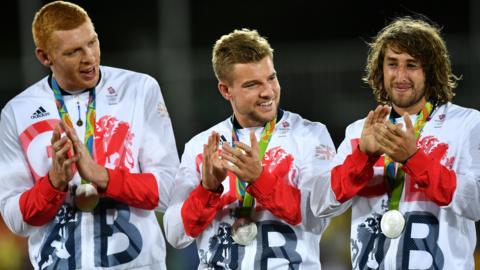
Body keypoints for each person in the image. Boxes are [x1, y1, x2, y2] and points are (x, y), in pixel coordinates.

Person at [0, 1, 179, 269]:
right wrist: (54, 183)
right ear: (45, 57)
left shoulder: (139, 89)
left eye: (92, 42)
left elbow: (168, 192)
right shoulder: (17, 112)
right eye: (73, 52)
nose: (90, 58)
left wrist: (103, 176)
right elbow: (17, 220)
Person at [311, 17, 480, 269]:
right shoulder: (360, 131)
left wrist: (414, 159)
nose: (400, 76)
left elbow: (475, 203)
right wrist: (361, 157)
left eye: (411, 65)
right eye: (392, 64)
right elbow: (322, 206)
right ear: (381, 69)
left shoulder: (467, 124)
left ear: (431, 71)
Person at [163, 28, 335, 269]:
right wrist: (207, 189)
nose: (268, 92)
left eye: (271, 78)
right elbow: (176, 235)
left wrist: (260, 179)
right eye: (252, 84)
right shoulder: (200, 146)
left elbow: (315, 220)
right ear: (225, 90)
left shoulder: (310, 135)